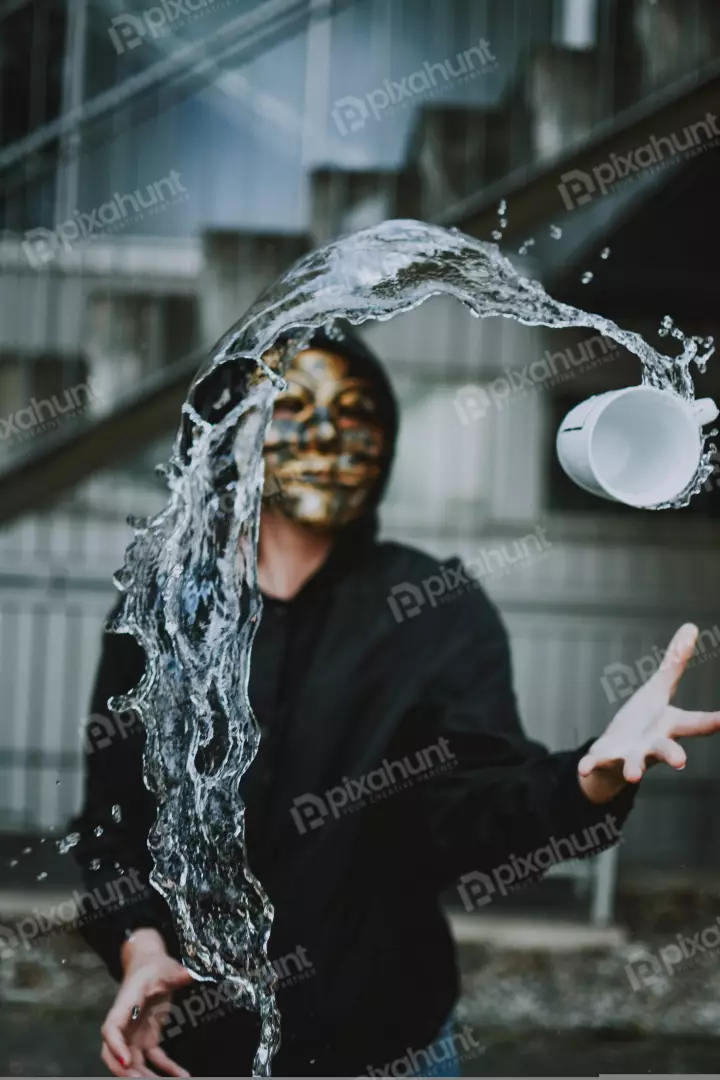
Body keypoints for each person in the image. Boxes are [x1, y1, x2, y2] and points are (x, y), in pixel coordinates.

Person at [71, 325, 719, 1078]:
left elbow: (472, 811)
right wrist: (140, 948)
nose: (330, 435)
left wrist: (586, 779)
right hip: (192, 1052)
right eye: (296, 407)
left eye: (356, 413)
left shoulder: (431, 606)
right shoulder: (165, 614)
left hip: (390, 1046)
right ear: (232, 434)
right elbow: (112, 830)